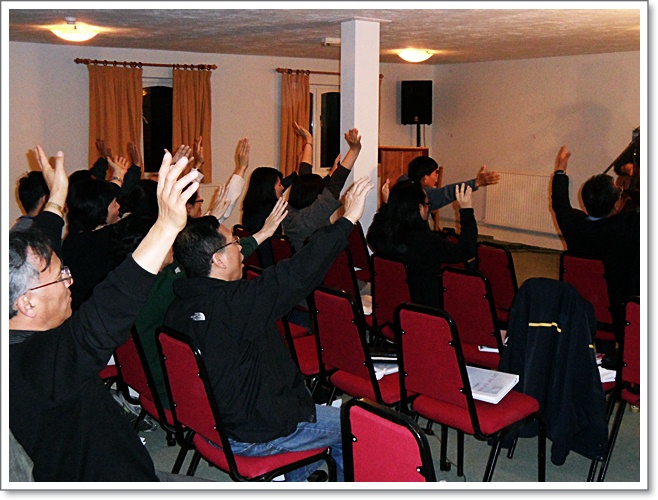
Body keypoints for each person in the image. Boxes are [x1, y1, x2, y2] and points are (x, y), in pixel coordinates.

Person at [9, 144, 205, 481]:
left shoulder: (20, 332)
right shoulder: (34, 365)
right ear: (27, 304)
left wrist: (57, 198)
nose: (70, 281)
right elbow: (105, 312)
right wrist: (165, 227)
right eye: (61, 276)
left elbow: (41, 247)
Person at [164, 176, 374, 482]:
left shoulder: (178, 307)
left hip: (213, 423)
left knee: (298, 394)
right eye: (234, 244)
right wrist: (347, 220)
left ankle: (297, 479)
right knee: (359, 425)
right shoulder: (235, 304)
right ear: (218, 260)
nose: (240, 250)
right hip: (253, 432)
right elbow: (298, 273)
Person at [550, 145, 640, 347]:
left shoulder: (573, 225)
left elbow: (560, 203)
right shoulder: (627, 227)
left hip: (581, 306)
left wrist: (560, 169)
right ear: (616, 205)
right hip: (619, 310)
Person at [367, 179, 477, 309]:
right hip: (425, 310)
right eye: (427, 204)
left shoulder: (384, 236)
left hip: (391, 307)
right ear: (419, 208)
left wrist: (386, 206)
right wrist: (466, 211)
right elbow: (466, 251)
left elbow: (373, 234)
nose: (428, 208)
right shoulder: (427, 241)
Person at [241, 123, 313, 266]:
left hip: (256, 265)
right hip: (271, 264)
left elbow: (283, 184)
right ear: (269, 188)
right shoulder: (274, 208)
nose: (282, 187)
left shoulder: (252, 206)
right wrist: (308, 143)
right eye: (279, 184)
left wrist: (295, 173)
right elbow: (307, 186)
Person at [284, 127, 362, 252]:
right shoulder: (313, 216)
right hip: (316, 262)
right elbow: (337, 183)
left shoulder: (288, 211)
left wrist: (309, 141)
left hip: (299, 260)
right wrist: (354, 150)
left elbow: (304, 176)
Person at [62, 177, 123, 310]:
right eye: (114, 204)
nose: (119, 206)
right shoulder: (106, 241)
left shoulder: (73, 237)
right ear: (100, 211)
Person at [398, 155, 500, 213]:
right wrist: (477, 182)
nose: (436, 176)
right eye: (435, 173)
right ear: (425, 178)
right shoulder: (422, 194)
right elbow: (448, 193)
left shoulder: (403, 181)